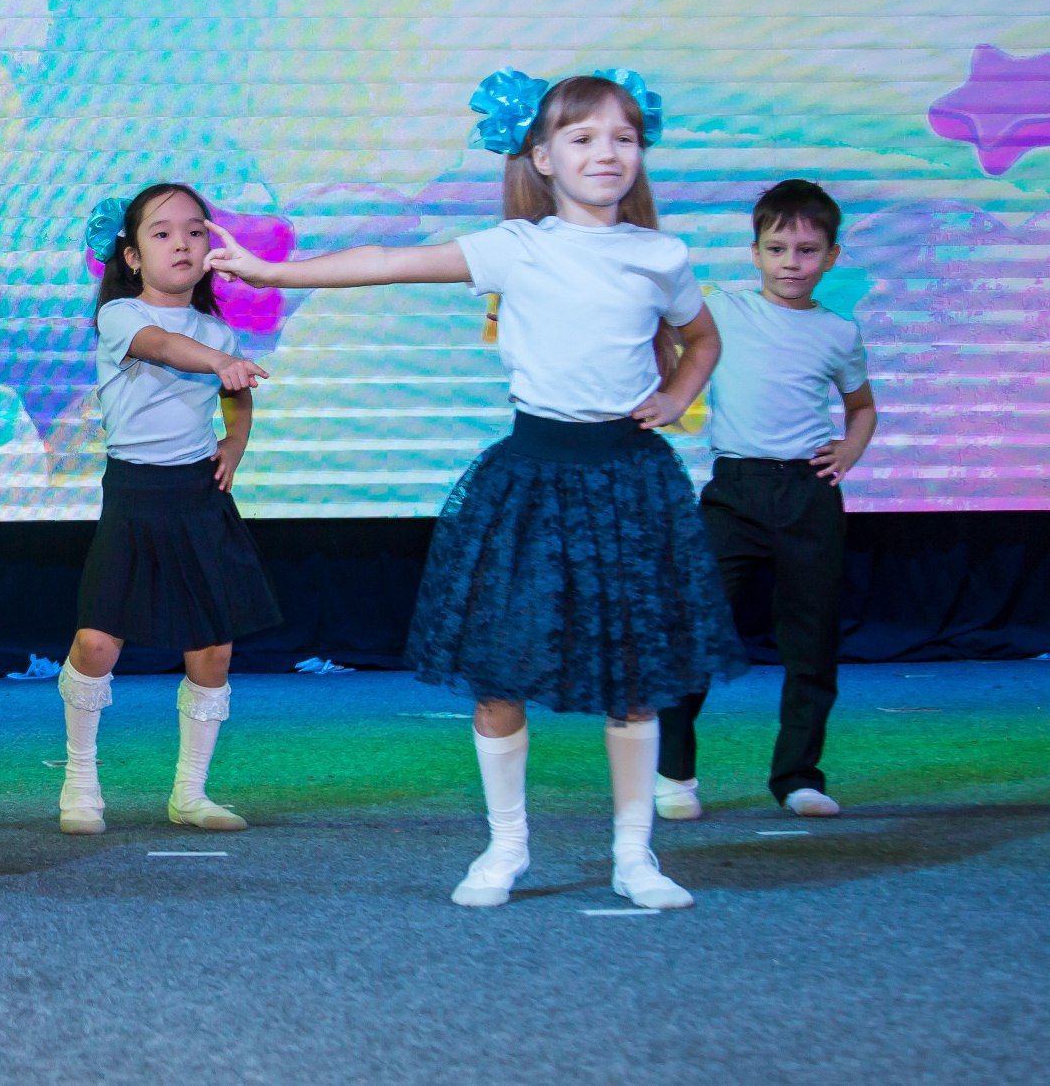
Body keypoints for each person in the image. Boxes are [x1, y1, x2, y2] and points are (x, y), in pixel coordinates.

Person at [208, 69, 744, 910]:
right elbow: (387, 260)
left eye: (623, 138)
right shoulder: (514, 246)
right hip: (532, 480)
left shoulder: (661, 256)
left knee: (635, 679)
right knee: (498, 673)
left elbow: (702, 339)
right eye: (583, 137)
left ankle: (633, 855)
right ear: (543, 156)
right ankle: (506, 845)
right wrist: (273, 274)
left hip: (630, 483)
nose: (606, 153)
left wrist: (677, 396)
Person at [56, 184, 278, 837]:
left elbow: (235, 393)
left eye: (195, 231)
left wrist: (235, 441)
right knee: (97, 642)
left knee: (212, 649)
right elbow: (163, 346)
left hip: (198, 498)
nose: (181, 243)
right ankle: (80, 783)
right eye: (162, 233)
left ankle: (190, 793)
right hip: (135, 495)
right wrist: (222, 362)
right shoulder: (121, 316)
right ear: (130, 255)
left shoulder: (218, 331)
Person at [657, 178, 876, 822]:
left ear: (832, 256)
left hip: (809, 494)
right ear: (754, 253)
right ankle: (674, 772)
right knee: (696, 626)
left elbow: (862, 407)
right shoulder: (721, 310)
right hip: (735, 491)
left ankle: (798, 777)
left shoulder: (839, 331)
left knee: (812, 640)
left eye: (807, 251)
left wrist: (850, 449)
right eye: (777, 249)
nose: (791, 264)